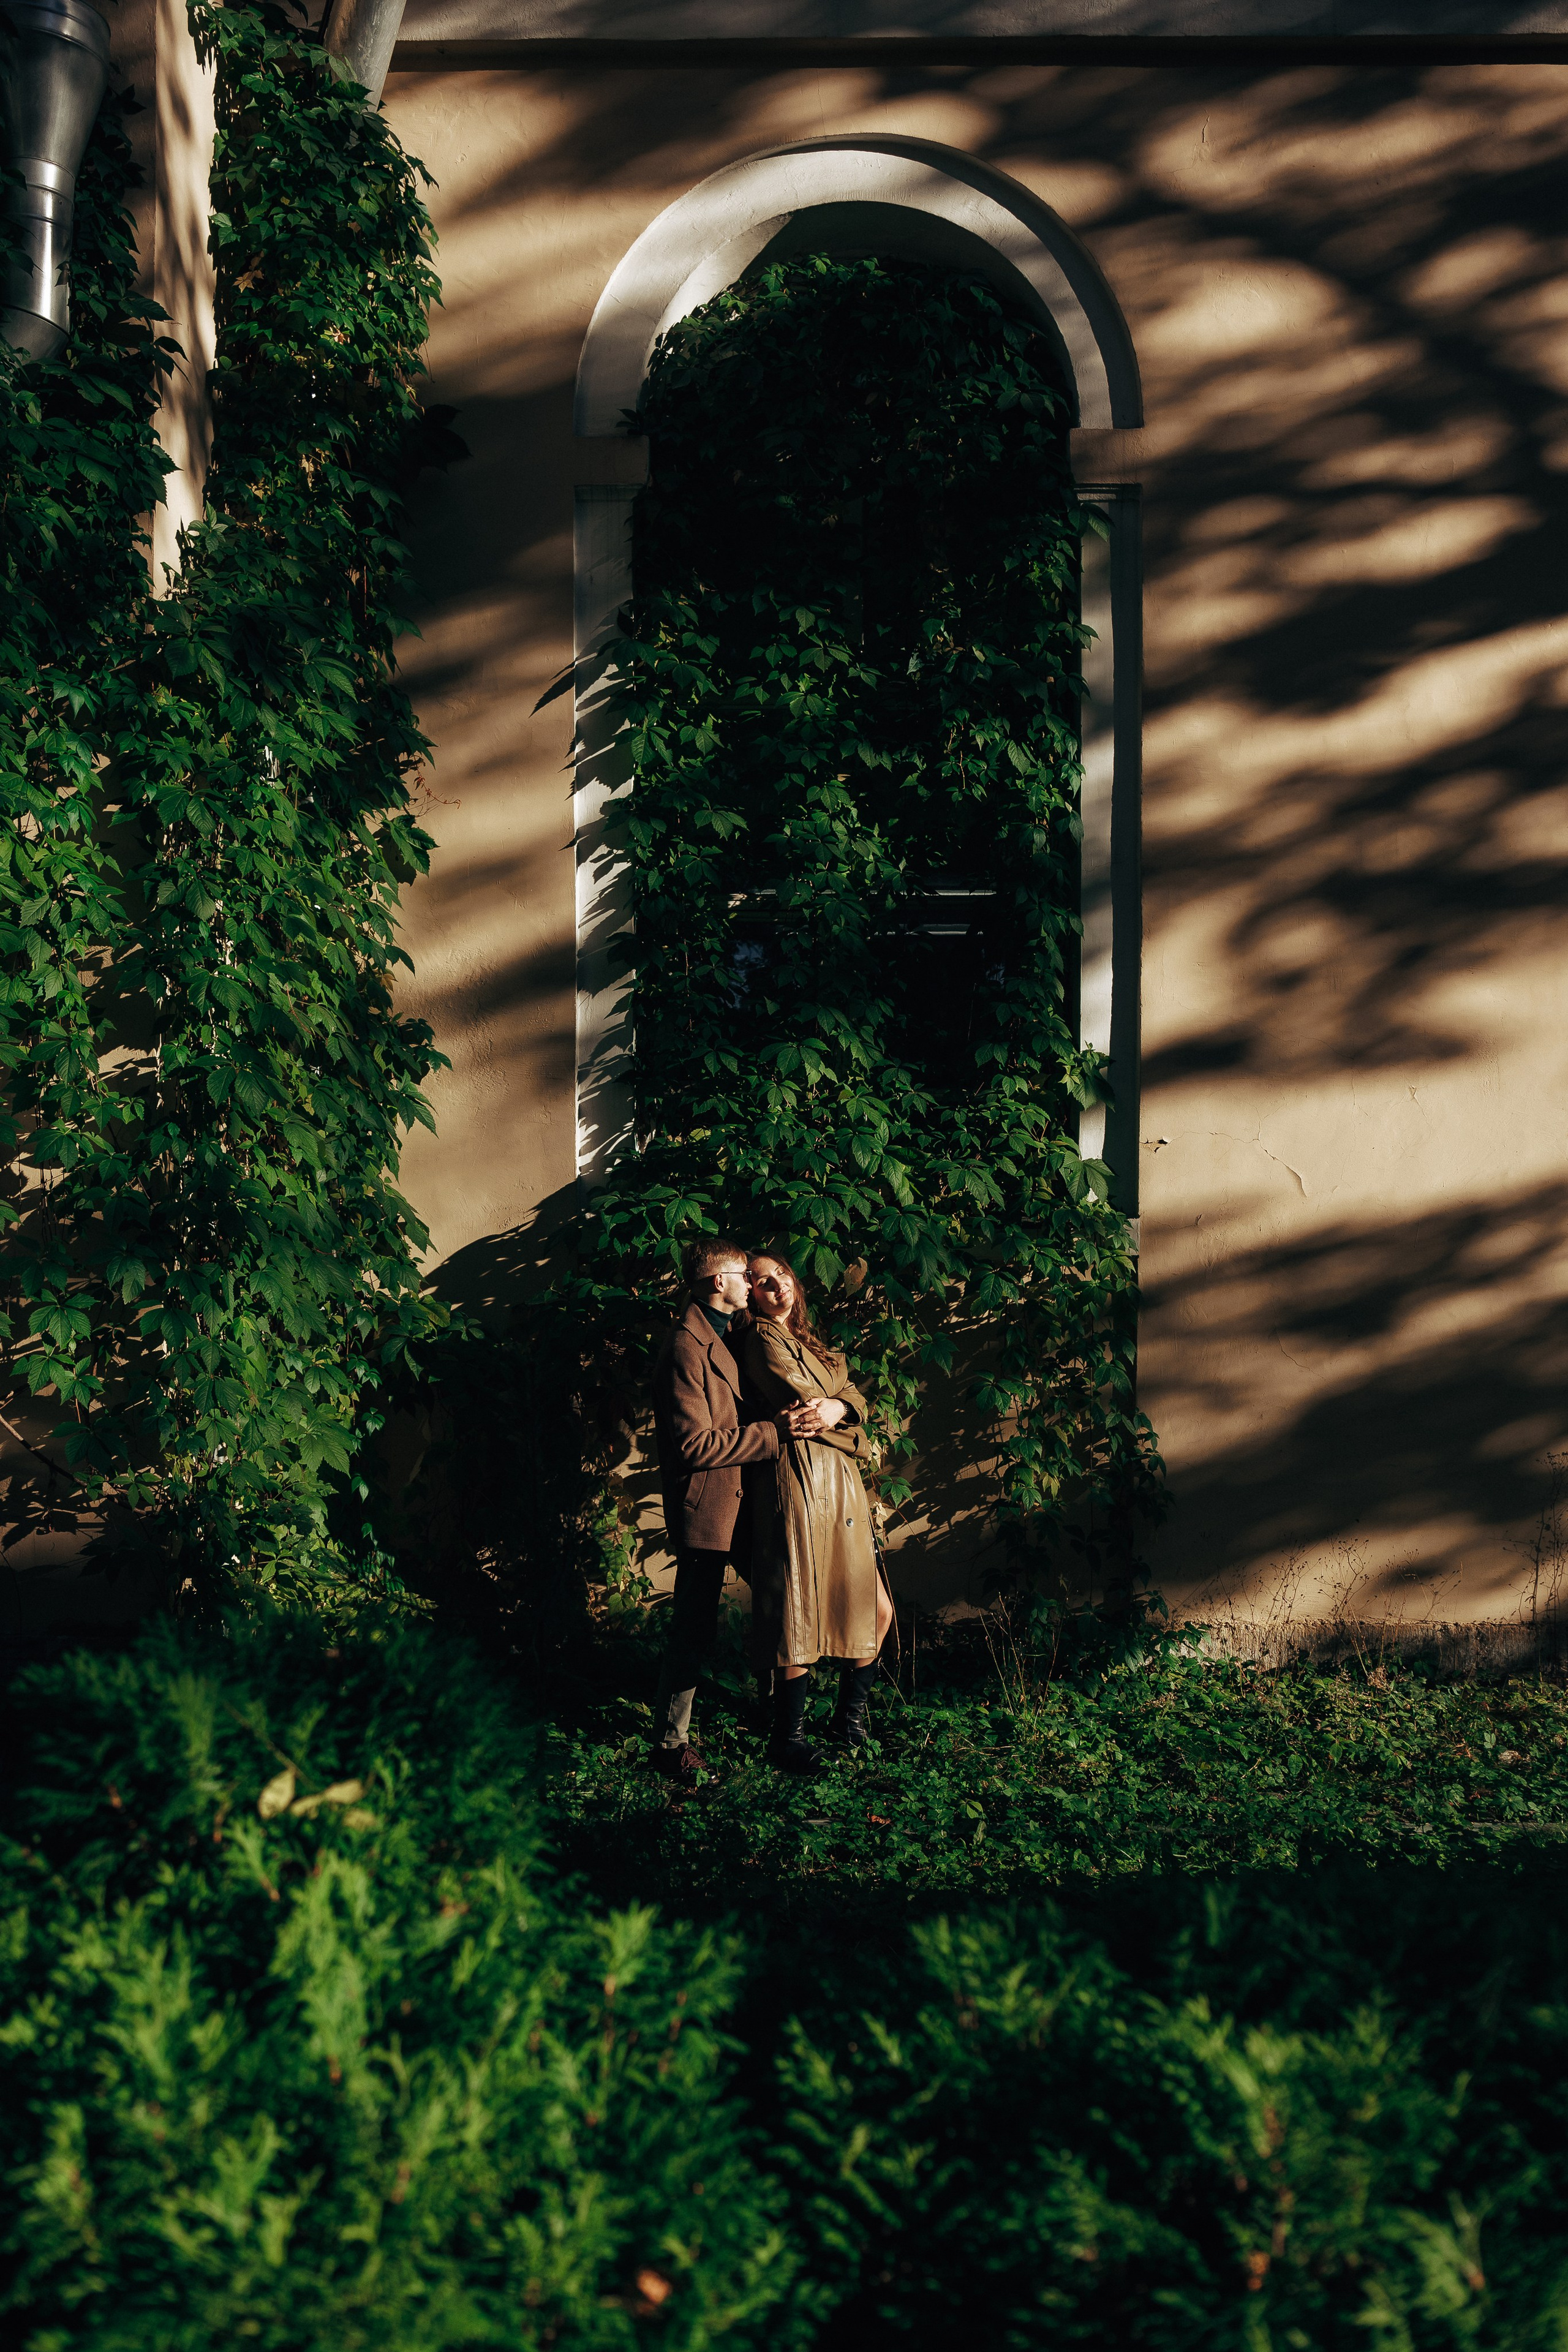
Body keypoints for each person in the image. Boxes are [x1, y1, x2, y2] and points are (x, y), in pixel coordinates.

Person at [649, 1236, 819, 1786]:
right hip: (710, 1508)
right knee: (694, 1625)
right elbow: (692, 1447)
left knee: (778, 1600)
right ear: (718, 1282)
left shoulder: (735, 1333)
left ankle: (775, 1714)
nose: (753, 1282)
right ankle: (671, 1743)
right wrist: (773, 1433)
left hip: (754, 1499)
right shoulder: (685, 1346)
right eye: (744, 1274)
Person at [739, 1252, 895, 1771]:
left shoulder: (812, 1340)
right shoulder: (761, 1338)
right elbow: (800, 1402)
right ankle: (789, 1737)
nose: (775, 1287)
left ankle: (848, 1722)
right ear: (751, 1294)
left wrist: (840, 1407)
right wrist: (847, 1412)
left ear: (795, 1282)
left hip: (842, 1481)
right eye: (762, 1282)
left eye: (781, 1276)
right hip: (798, 1474)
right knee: (799, 1607)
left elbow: (845, 1398)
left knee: (877, 1609)